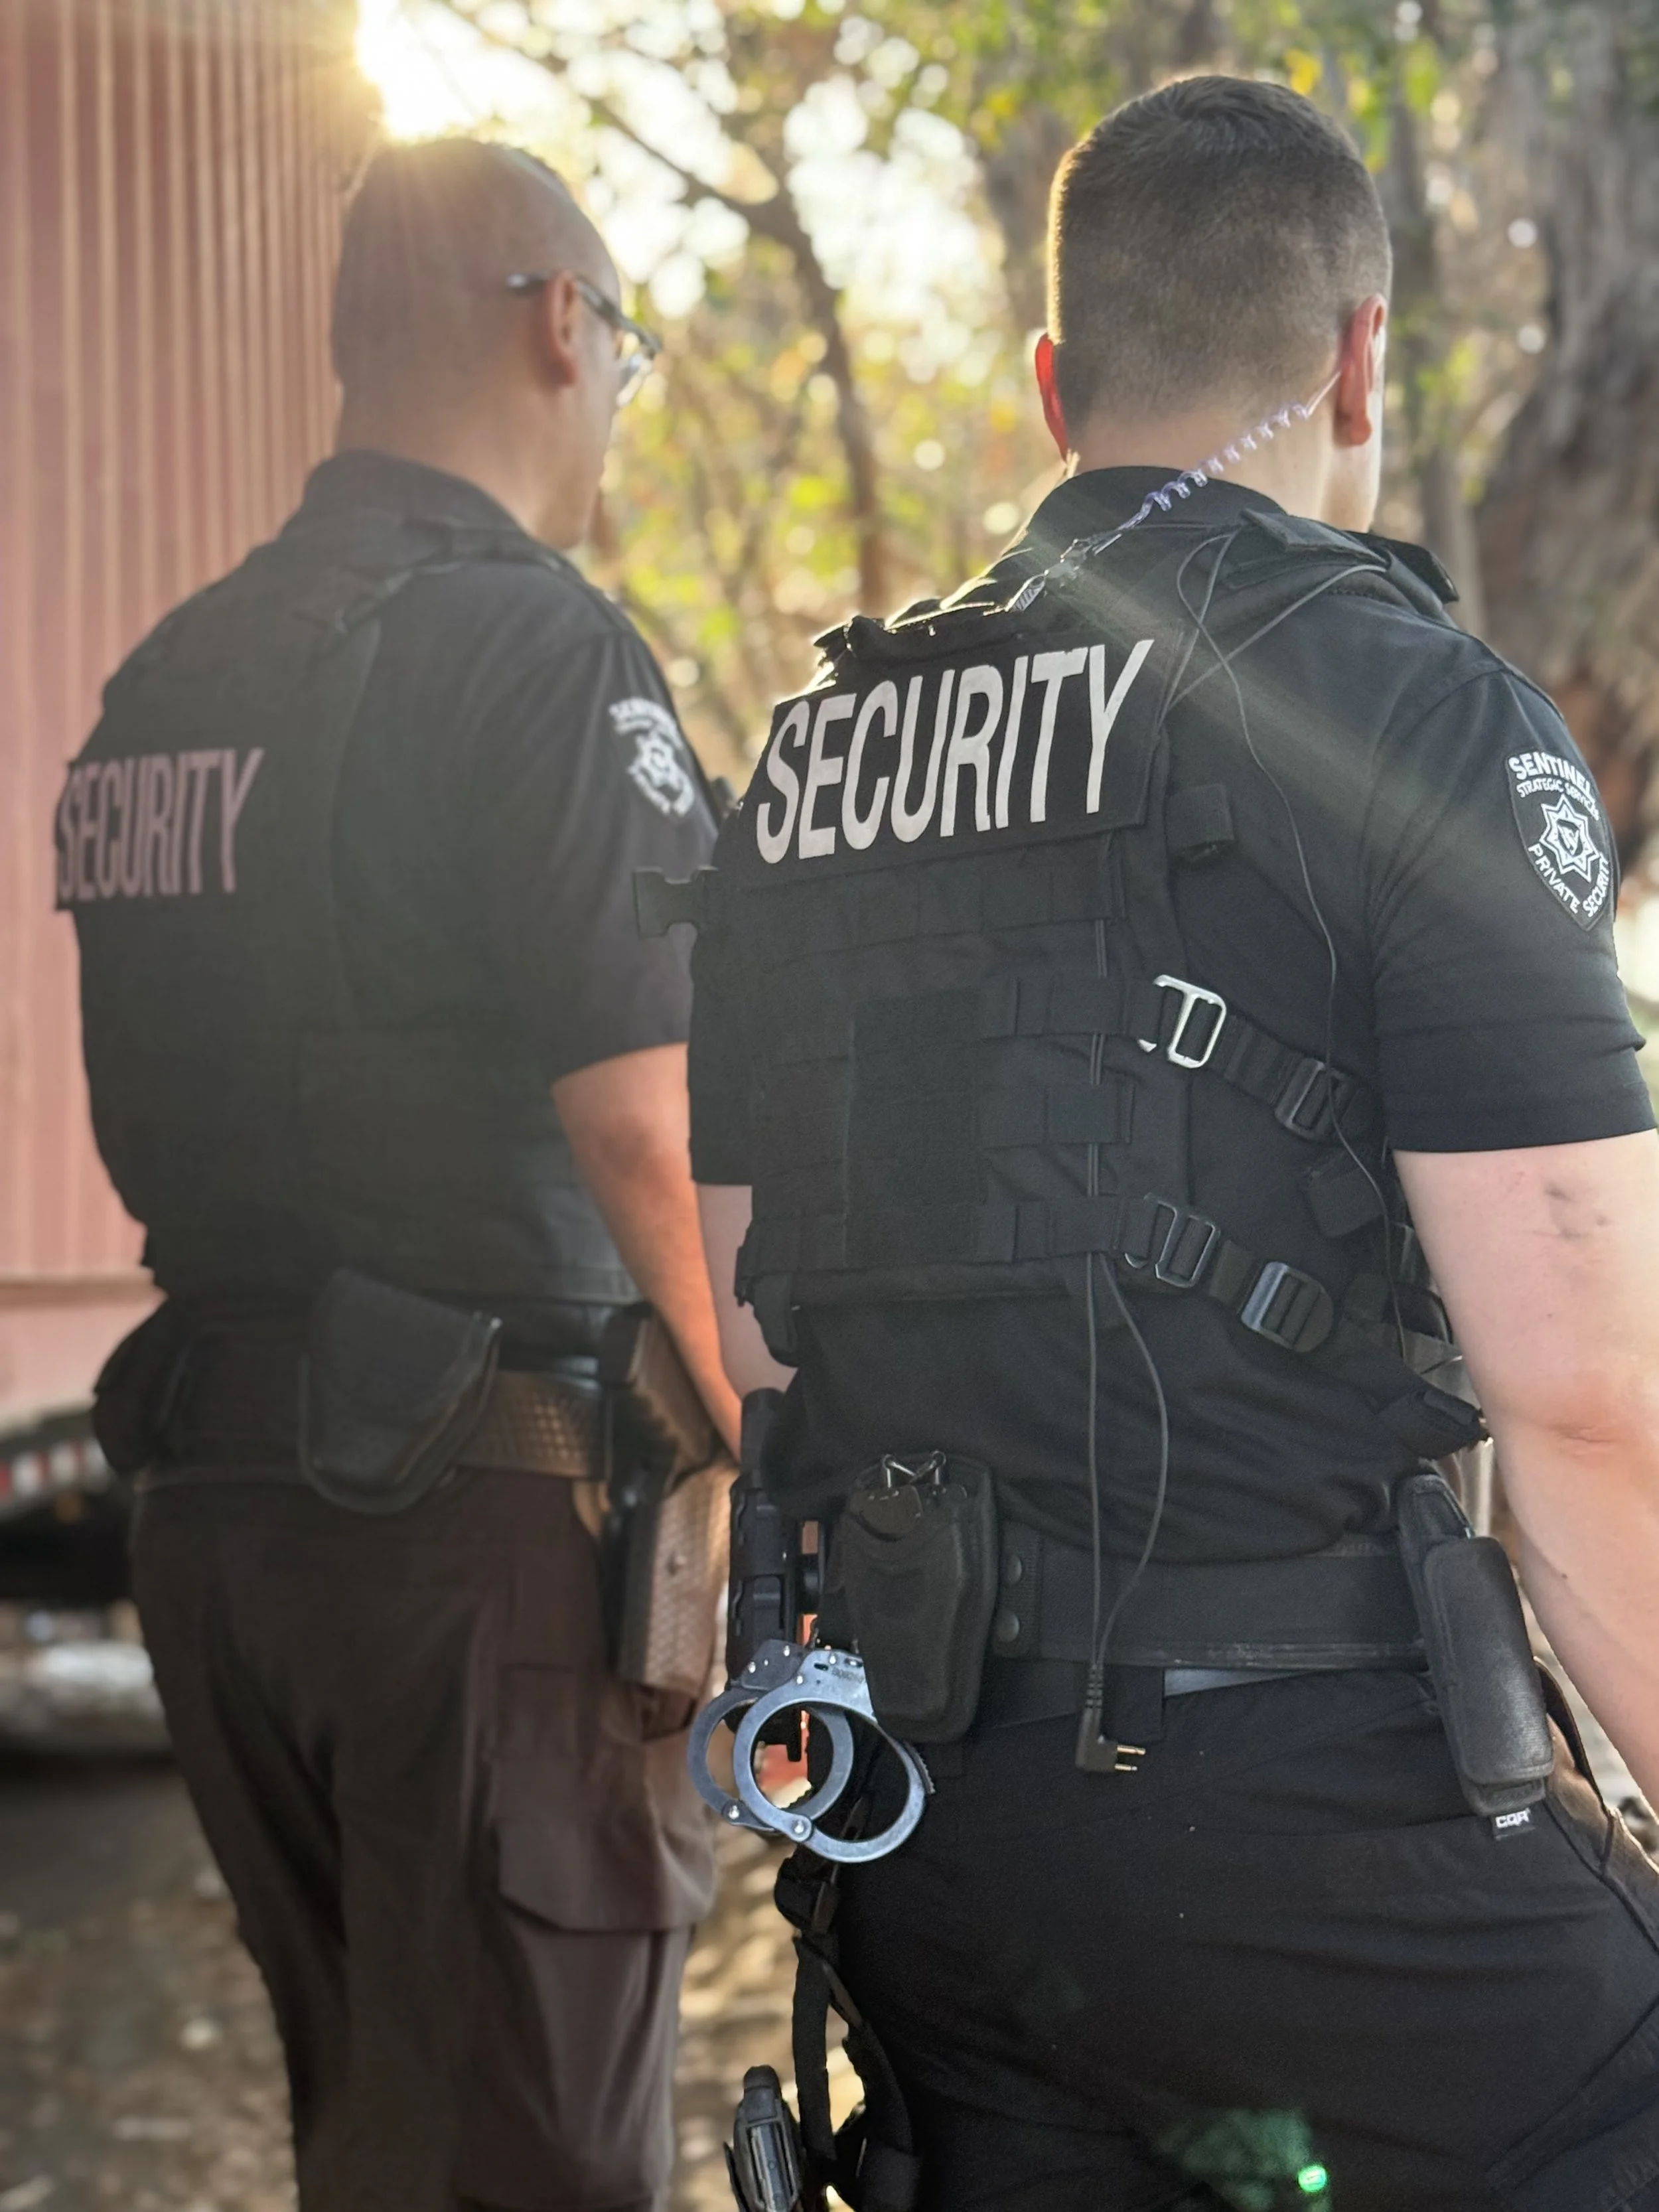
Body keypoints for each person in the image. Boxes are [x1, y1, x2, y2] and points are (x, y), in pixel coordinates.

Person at [685, 76, 1659, 2212]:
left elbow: (752, 1319)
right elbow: (1584, 1390)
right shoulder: (1406, 710)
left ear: (1054, 384)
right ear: (1359, 359)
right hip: (1331, 1845)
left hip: (932, 1839)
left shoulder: (820, 750)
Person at [57, 140, 738, 2212]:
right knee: (543, 2168)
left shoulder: (167, 681)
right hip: (483, 1544)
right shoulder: (535, 655)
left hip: (224, 1529)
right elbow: (652, 1120)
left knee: (371, 2150)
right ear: (559, 324)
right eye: (623, 342)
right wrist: (781, 1451)